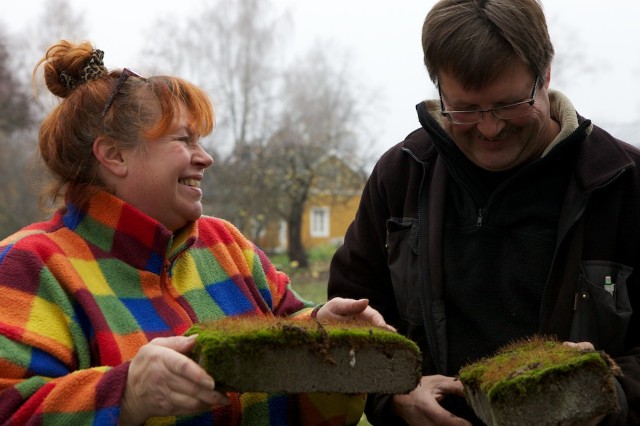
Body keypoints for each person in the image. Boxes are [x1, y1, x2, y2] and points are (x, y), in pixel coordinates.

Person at [0, 40, 390, 425]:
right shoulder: (29, 265)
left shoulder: (227, 245)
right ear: (114, 155)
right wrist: (128, 394)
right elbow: (10, 408)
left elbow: (294, 334)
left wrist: (325, 332)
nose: (206, 157)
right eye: (183, 139)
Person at [327, 0, 640, 424]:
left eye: (509, 104)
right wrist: (393, 393)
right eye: (466, 109)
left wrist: (609, 392)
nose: (490, 129)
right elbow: (351, 319)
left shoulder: (625, 183)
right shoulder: (401, 175)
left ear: (544, 75)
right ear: (439, 91)